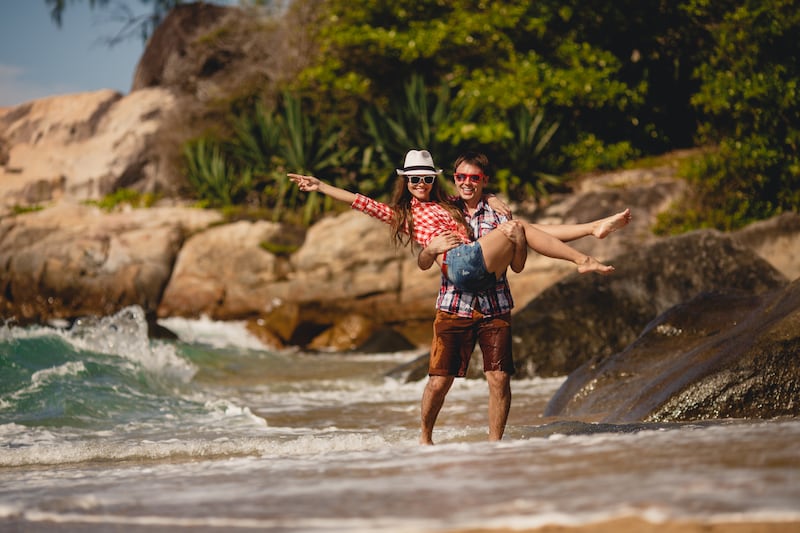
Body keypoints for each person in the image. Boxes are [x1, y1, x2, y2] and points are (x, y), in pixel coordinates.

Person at [415, 150, 631, 444]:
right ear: (453, 179)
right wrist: (431, 248)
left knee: (499, 379)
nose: (467, 183)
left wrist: (514, 238)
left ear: (484, 180)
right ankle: (425, 440)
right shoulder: (443, 209)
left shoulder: (499, 214)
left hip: (495, 305)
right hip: (454, 307)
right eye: (461, 177)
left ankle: (496, 445)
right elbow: (423, 254)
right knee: (439, 382)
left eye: (474, 178)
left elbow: (517, 265)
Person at [289, 150, 614, 294]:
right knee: (522, 228)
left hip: (477, 261)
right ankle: (582, 258)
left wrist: (489, 197)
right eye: (414, 178)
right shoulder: (403, 214)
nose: (420, 183)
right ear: (406, 181)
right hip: (458, 264)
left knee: (523, 229)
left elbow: (474, 194)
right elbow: (361, 201)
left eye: (426, 178)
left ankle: (591, 228)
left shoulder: (450, 204)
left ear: (433, 179)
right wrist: (320, 186)